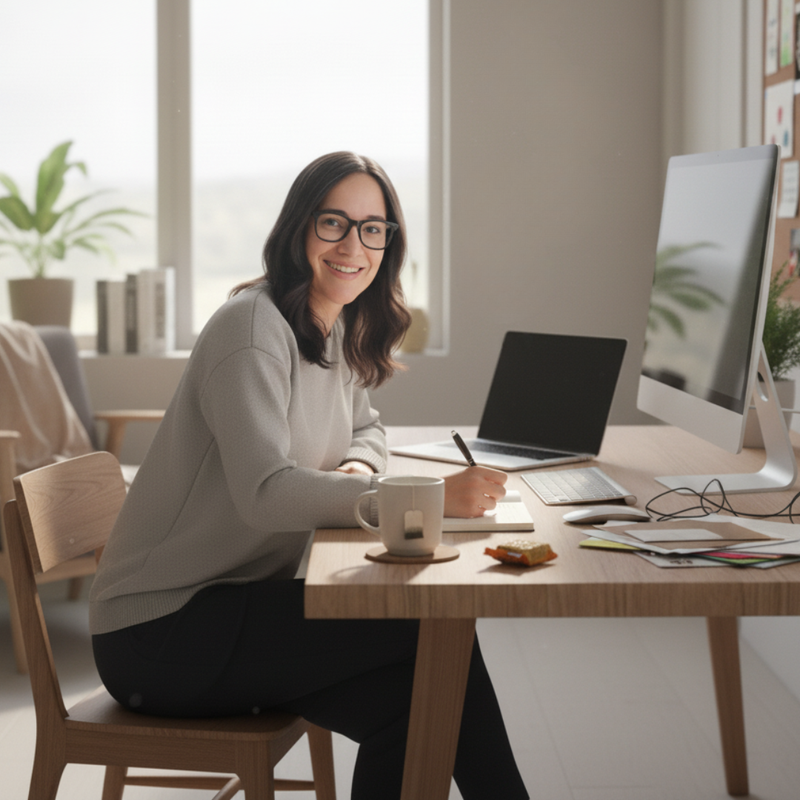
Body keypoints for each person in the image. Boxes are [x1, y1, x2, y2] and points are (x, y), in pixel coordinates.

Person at [89, 151, 529, 799]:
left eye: (373, 228)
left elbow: (367, 430)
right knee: (430, 627)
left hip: (235, 605)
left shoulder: (330, 323)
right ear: (299, 228)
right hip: (159, 633)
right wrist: (426, 499)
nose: (355, 244)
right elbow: (266, 494)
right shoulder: (252, 330)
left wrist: (354, 467)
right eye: (335, 223)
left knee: (418, 700)